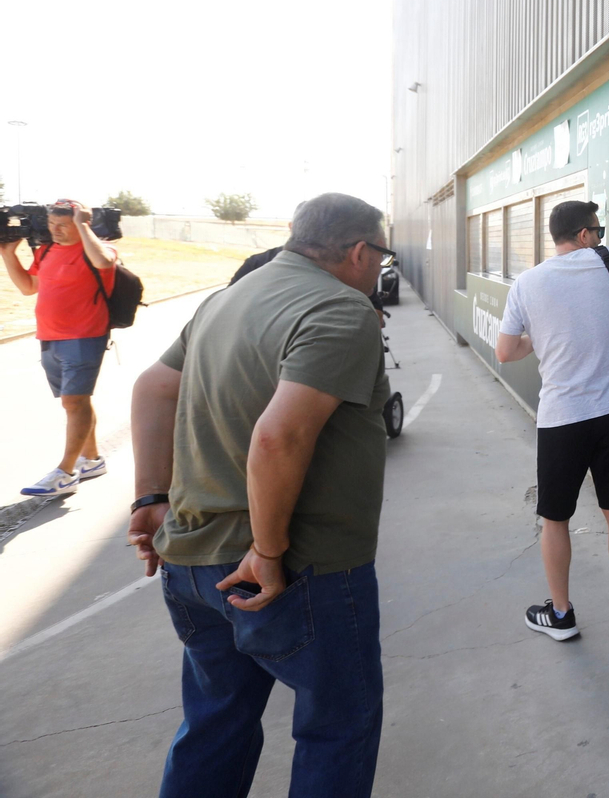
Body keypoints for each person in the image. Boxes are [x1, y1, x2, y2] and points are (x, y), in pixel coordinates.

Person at [126, 193, 394, 798]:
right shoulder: (342, 309)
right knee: (337, 729)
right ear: (359, 252)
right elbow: (279, 437)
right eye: (379, 255)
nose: (378, 268)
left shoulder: (225, 300)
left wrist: (150, 497)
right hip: (300, 570)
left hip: (192, 561)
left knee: (215, 723)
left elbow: (153, 387)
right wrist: (268, 552)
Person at [496, 200, 609, 640]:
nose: (602, 238)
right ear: (585, 235)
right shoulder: (608, 262)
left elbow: (506, 351)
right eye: (599, 230)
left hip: (560, 419)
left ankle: (563, 615)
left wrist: (540, 338)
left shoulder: (528, 283)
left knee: (555, 518)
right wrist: (607, 315)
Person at [1, 200, 119, 498]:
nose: (56, 230)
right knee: (75, 401)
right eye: (52, 224)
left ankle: (65, 473)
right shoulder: (47, 250)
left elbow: (105, 262)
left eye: (63, 225)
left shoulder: (97, 249)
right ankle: (91, 460)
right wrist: (7, 255)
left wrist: (82, 224)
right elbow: (29, 287)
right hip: (50, 338)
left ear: (81, 223)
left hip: (83, 336)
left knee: (74, 402)